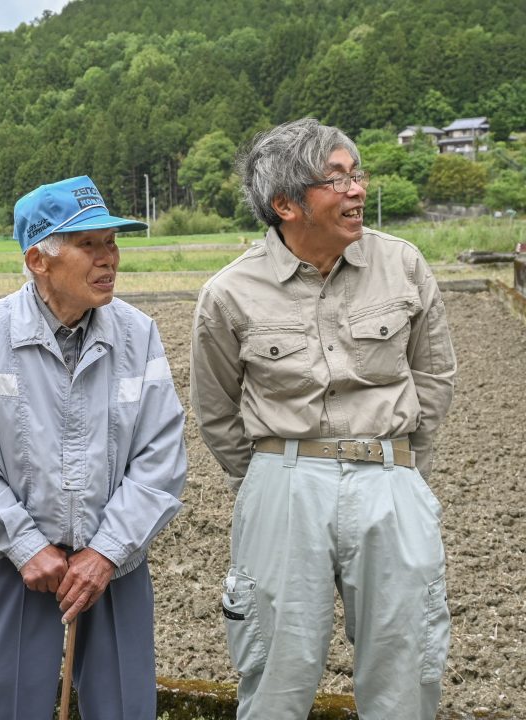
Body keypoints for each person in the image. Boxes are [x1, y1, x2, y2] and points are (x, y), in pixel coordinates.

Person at [189, 118, 456, 719]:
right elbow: (216, 410)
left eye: (356, 174)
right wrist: (268, 478)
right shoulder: (229, 293)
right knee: (275, 671)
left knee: (406, 667)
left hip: (391, 476)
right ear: (285, 203)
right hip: (284, 481)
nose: (357, 189)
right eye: (336, 179)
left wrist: (405, 470)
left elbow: (434, 379)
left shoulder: (404, 266)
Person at [0, 175, 188, 720]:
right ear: (39, 260)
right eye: (89, 245)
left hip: (115, 564)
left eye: (112, 243)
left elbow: (162, 456)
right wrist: (26, 545)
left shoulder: (137, 333)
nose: (109, 260)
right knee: (6, 706)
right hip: (15, 565)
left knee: (125, 707)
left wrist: (105, 552)